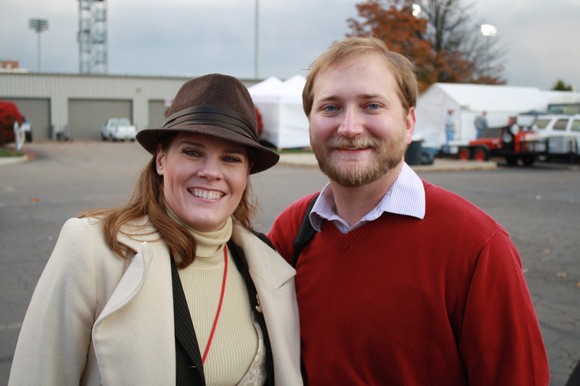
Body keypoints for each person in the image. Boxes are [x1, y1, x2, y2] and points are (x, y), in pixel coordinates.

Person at [268, 36, 549, 385]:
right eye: (330, 107)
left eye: (372, 106)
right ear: (310, 122)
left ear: (409, 123)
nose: (350, 127)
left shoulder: (477, 245)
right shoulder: (291, 230)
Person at [9, 74, 303, 386]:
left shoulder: (269, 268)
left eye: (231, 159)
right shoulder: (91, 249)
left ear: (245, 175)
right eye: (192, 152)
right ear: (161, 159)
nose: (211, 172)